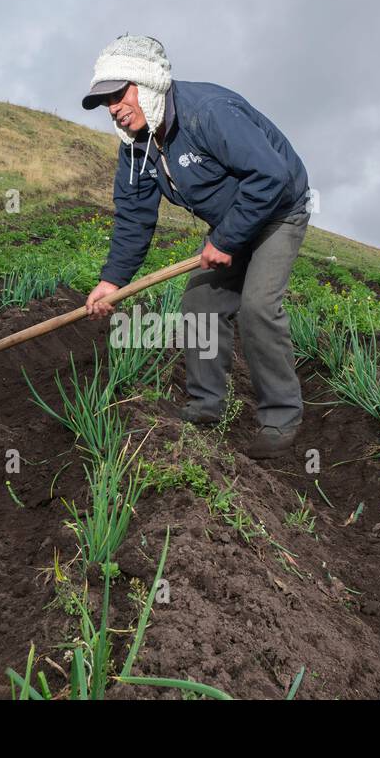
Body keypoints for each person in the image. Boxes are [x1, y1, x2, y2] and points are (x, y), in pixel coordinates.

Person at [80, 35, 311, 458]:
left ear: (147, 83)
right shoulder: (136, 147)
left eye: (117, 93)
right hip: (231, 223)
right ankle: (206, 406)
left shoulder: (208, 113)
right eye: (105, 101)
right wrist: (111, 281)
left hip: (278, 210)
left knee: (258, 307)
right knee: (200, 306)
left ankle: (280, 416)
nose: (112, 107)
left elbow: (271, 176)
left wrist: (225, 239)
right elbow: (134, 217)